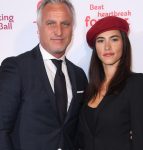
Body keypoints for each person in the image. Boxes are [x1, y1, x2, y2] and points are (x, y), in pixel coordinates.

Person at [0, 0, 88, 150]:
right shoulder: (17, 68)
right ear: (39, 28)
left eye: (65, 24)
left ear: (72, 29)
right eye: (51, 23)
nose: (59, 31)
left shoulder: (79, 75)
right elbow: (2, 129)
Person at [77, 16, 143, 150]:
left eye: (114, 39)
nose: (107, 46)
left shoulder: (137, 84)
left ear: (124, 43)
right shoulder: (89, 90)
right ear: (95, 48)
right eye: (100, 40)